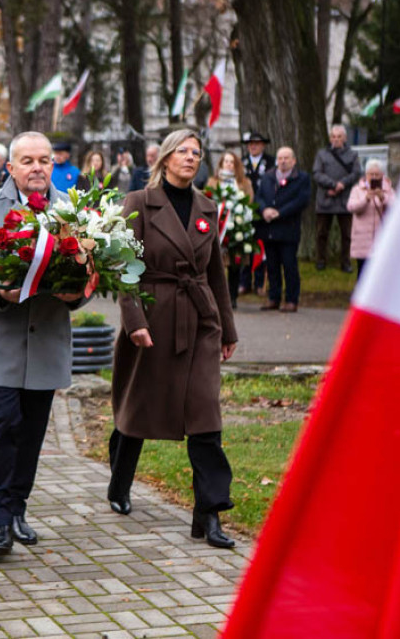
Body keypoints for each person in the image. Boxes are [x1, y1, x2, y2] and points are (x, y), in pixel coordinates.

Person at [0, 131, 87, 554]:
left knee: (31, 433)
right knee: (3, 425)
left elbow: (88, 272)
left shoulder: (73, 210)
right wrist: (0, 294)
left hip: (47, 340)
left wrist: (76, 294)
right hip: (3, 342)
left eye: (44, 160)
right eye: (27, 161)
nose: (37, 168)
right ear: (10, 168)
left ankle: (17, 509)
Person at [108, 129, 238, 548]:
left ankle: (209, 513)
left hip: (200, 320)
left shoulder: (206, 208)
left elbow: (215, 273)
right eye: (183, 151)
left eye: (197, 152)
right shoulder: (138, 202)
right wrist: (134, 319)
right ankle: (119, 481)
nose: (191, 157)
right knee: (139, 405)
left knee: (205, 413)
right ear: (165, 158)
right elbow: (122, 264)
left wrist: (227, 328)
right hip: (153, 315)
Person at [257, 146, 311, 312]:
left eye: (286, 158)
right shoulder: (268, 177)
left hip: (288, 229)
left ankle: (291, 299)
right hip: (269, 228)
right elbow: (259, 196)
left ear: (293, 161)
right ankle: (273, 298)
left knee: (289, 266)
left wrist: (280, 213)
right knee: (272, 266)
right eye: (280, 158)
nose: (283, 161)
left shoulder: (301, 178)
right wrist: (264, 210)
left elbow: (301, 200)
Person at [205, 151, 254, 309]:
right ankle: (216, 297)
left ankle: (232, 297)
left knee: (234, 264)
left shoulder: (244, 183)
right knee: (216, 264)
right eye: (226, 161)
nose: (228, 164)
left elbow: (249, 201)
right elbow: (206, 200)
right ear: (221, 164)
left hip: (237, 227)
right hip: (218, 227)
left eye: (231, 162)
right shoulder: (213, 182)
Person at [313, 124, 362, 272]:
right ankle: (320, 260)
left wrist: (342, 184)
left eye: (339, 137)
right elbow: (316, 173)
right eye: (333, 137)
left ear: (345, 138)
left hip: (345, 199)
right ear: (330, 138)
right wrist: (333, 185)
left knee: (347, 234)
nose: (336, 139)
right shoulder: (321, 154)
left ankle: (346, 262)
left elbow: (356, 173)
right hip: (326, 197)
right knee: (321, 233)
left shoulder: (352, 155)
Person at [347, 158, 396, 278]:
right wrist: (365, 199)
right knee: (363, 271)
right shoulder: (357, 190)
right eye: (371, 174)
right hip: (362, 237)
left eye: (377, 174)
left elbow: (396, 207)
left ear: (382, 175)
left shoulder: (388, 190)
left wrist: (383, 198)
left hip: (381, 235)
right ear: (366, 175)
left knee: (381, 272)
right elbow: (351, 207)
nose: (373, 177)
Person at [240, 131, 274, 296]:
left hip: (262, 211)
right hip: (244, 212)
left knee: (261, 248)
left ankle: (260, 283)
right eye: (250, 143)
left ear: (263, 145)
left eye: (256, 143)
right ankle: (244, 282)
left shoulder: (271, 162)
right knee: (244, 247)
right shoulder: (242, 163)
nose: (253, 146)